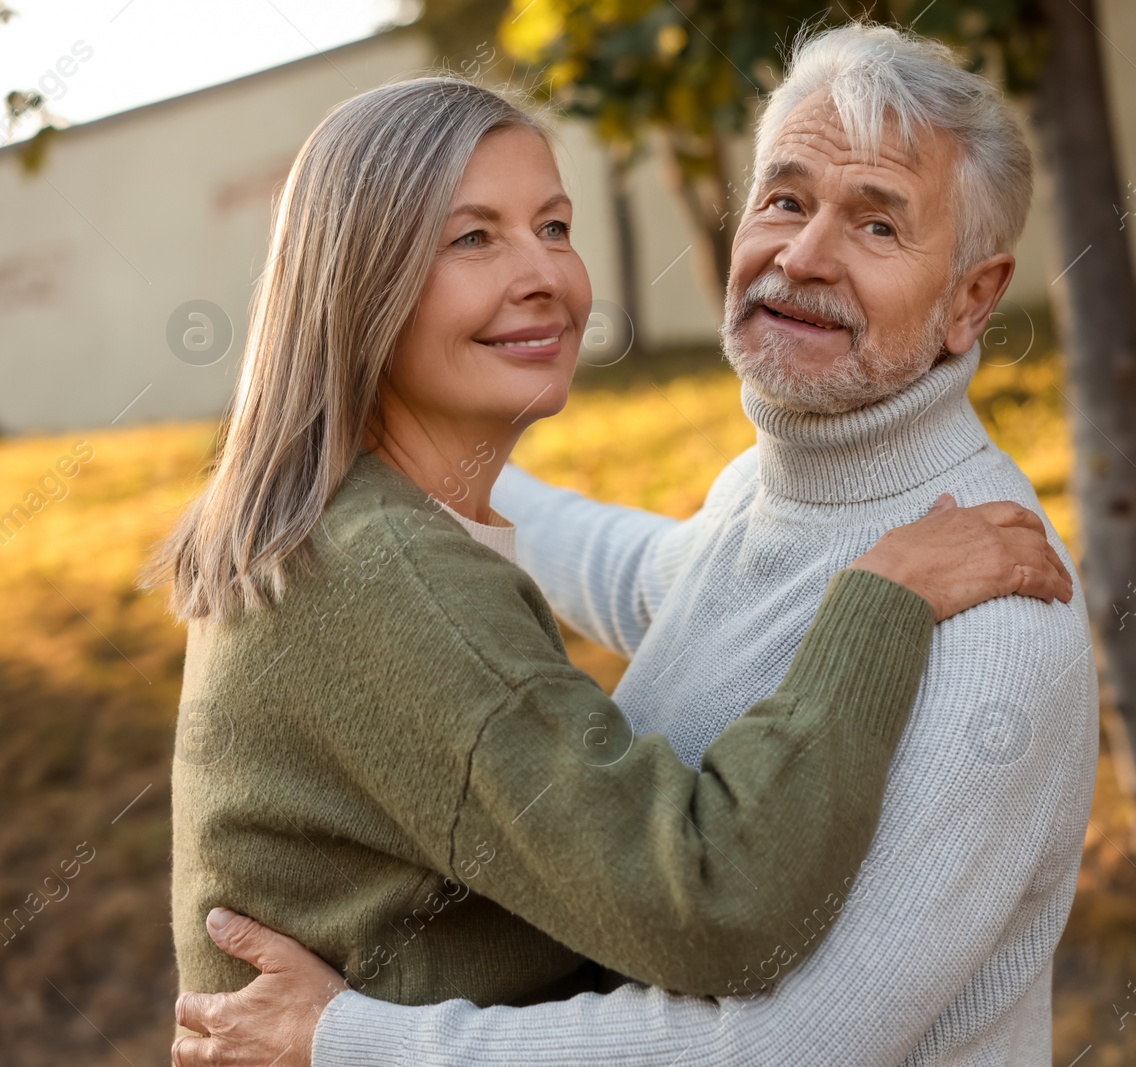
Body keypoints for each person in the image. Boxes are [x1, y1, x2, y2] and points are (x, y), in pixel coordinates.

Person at [151, 71, 1075, 1064]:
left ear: (974, 296)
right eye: (473, 237)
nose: (544, 272)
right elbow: (719, 900)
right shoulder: (392, 574)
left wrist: (450, 488)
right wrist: (879, 600)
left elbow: (660, 578)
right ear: (360, 282)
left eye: (553, 226)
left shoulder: (995, 602)